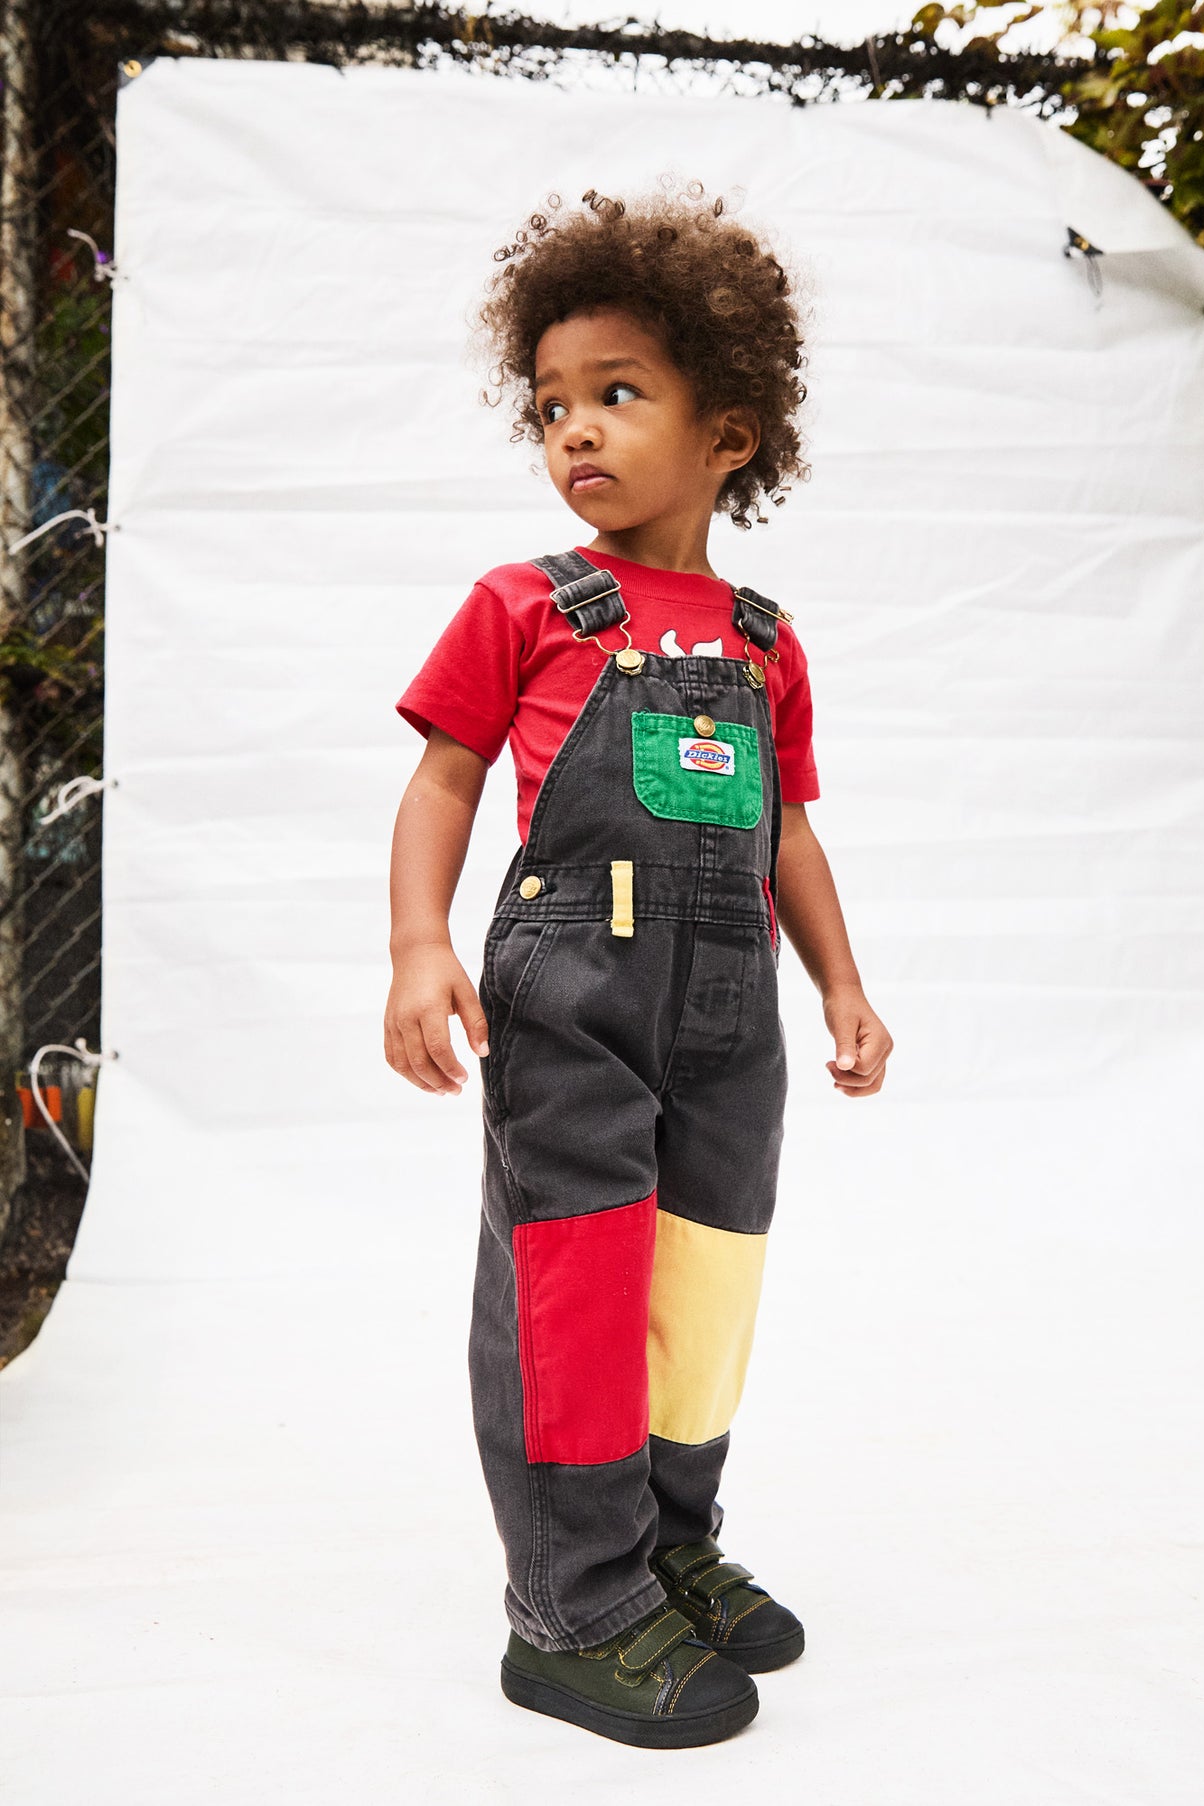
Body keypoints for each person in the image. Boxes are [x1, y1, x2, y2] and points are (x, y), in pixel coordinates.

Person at [384, 184, 893, 1749]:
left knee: (702, 1290)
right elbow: (447, 778)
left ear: (729, 431)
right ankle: (571, 1600)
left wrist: (843, 984)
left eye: (618, 394)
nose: (575, 432)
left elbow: (786, 830)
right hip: (576, 1000)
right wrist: (417, 944)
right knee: (577, 1288)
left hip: (731, 1022)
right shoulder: (530, 605)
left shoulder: (761, 633)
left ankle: (668, 1538)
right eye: (551, 405)